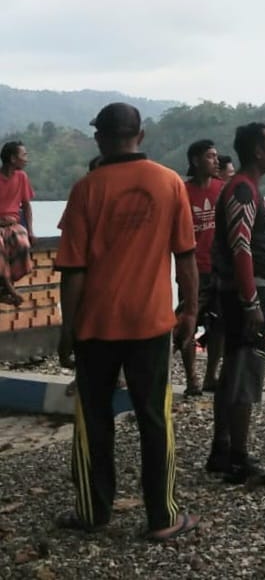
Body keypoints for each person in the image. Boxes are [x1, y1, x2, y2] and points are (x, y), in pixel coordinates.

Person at [54, 103, 200, 540]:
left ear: (100, 137)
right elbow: (186, 257)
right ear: (141, 134)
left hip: (95, 325)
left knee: (93, 420)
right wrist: (189, 310)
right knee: (156, 419)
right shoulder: (170, 182)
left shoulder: (86, 189)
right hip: (151, 323)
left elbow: (73, 270)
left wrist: (67, 328)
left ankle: (94, 511)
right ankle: (161, 517)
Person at [207, 123, 265, 487]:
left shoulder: (245, 188)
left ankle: (222, 449)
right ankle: (238, 456)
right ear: (257, 151)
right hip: (245, 296)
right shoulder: (242, 189)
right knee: (243, 372)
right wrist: (250, 300)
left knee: (234, 371)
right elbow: (240, 246)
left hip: (242, 292)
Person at [181, 139, 224, 396]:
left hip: (218, 269)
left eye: (216, 156)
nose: (216, 161)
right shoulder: (182, 192)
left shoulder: (223, 189)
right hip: (192, 270)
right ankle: (191, 378)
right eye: (210, 156)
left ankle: (211, 375)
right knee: (188, 323)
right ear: (196, 160)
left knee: (218, 327)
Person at [0, 140, 35, 305]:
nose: (26, 159)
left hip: (13, 225)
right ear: (13, 159)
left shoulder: (22, 177)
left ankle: (6, 287)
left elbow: (27, 206)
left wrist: (31, 230)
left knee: (22, 244)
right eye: (24, 155)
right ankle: (9, 289)